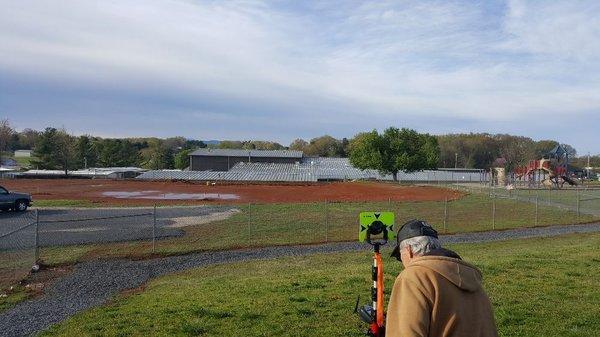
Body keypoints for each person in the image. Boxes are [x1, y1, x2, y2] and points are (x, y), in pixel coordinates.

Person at [386, 220, 498, 337]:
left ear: (408, 251)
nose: (402, 262)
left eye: (400, 256)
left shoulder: (413, 277)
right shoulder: (472, 278)